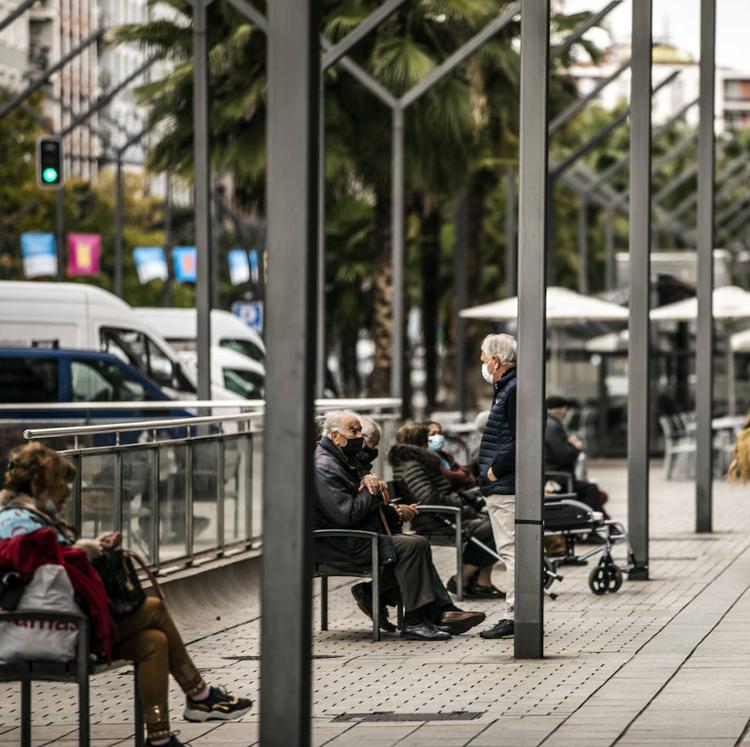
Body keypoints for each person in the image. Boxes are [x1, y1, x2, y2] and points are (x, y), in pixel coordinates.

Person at [0, 442, 252, 747]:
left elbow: (53, 562)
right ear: (40, 485)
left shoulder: (32, 517)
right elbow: (44, 566)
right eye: (60, 488)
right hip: (51, 629)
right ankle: (199, 695)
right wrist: (82, 550)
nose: (66, 494)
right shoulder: (15, 522)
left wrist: (89, 547)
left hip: (64, 623)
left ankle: (160, 738)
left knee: (153, 643)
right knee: (155, 609)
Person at [313, 410, 485, 641]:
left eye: (360, 431)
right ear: (335, 436)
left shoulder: (343, 459)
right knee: (411, 546)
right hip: (340, 543)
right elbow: (346, 515)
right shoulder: (325, 466)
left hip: (358, 536)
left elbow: (362, 504)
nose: (359, 437)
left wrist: (391, 510)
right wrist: (369, 490)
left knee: (415, 543)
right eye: (353, 431)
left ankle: (435, 613)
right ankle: (417, 620)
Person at [389, 422, 502, 599]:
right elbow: (427, 498)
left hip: (443, 515)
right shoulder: (412, 465)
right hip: (436, 520)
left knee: (494, 524)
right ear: (420, 441)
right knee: (496, 528)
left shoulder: (416, 462)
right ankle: (462, 579)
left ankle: (481, 583)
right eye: (427, 438)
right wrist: (459, 501)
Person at [476, 333, 518, 640]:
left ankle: (516, 613)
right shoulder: (507, 388)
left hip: (506, 485)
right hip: (503, 483)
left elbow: (521, 440)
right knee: (512, 549)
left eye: (483, 357)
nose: (482, 362)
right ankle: (518, 611)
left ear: (497, 360)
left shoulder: (513, 390)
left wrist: (494, 471)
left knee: (511, 551)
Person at [545, 395, 609, 516]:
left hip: (552, 477)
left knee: (591, 488)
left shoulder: (548, 424)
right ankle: (588, 522)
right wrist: (575, 446)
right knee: (591, 489)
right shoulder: (553, 427)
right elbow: (564, 455)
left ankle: (596, 522)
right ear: (562, 410)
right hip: (556, 479)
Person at [425, 421, 476, 492]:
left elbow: (467, 474)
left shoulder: (447, 456)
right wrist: (464, 477)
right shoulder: (426, 458)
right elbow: (449, 478)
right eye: (433, 434)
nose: (438, 436)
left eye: (439, 433)